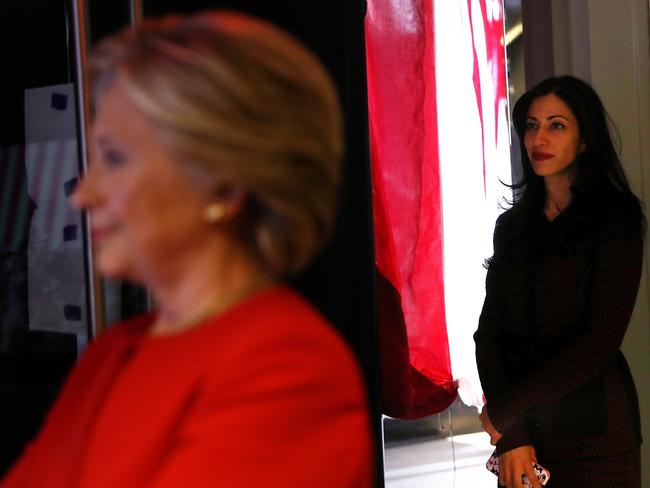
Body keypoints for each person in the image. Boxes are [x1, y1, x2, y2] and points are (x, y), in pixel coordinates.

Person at [0, 10, 373, 488]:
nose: (83, 194)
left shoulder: (287, 368)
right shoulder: (112, 353)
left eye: (114, 158)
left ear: (224, 185)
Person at [474, 75, 645, 488]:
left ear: (584, 140)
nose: (539, 137)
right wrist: (511, 434)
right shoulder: (511, 226)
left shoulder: (616, 221)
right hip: (520, 434)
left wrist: (505, 411)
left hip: (596, 436)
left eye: (556, 124)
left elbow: (599, 343)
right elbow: (489, 334)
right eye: (531, 125)